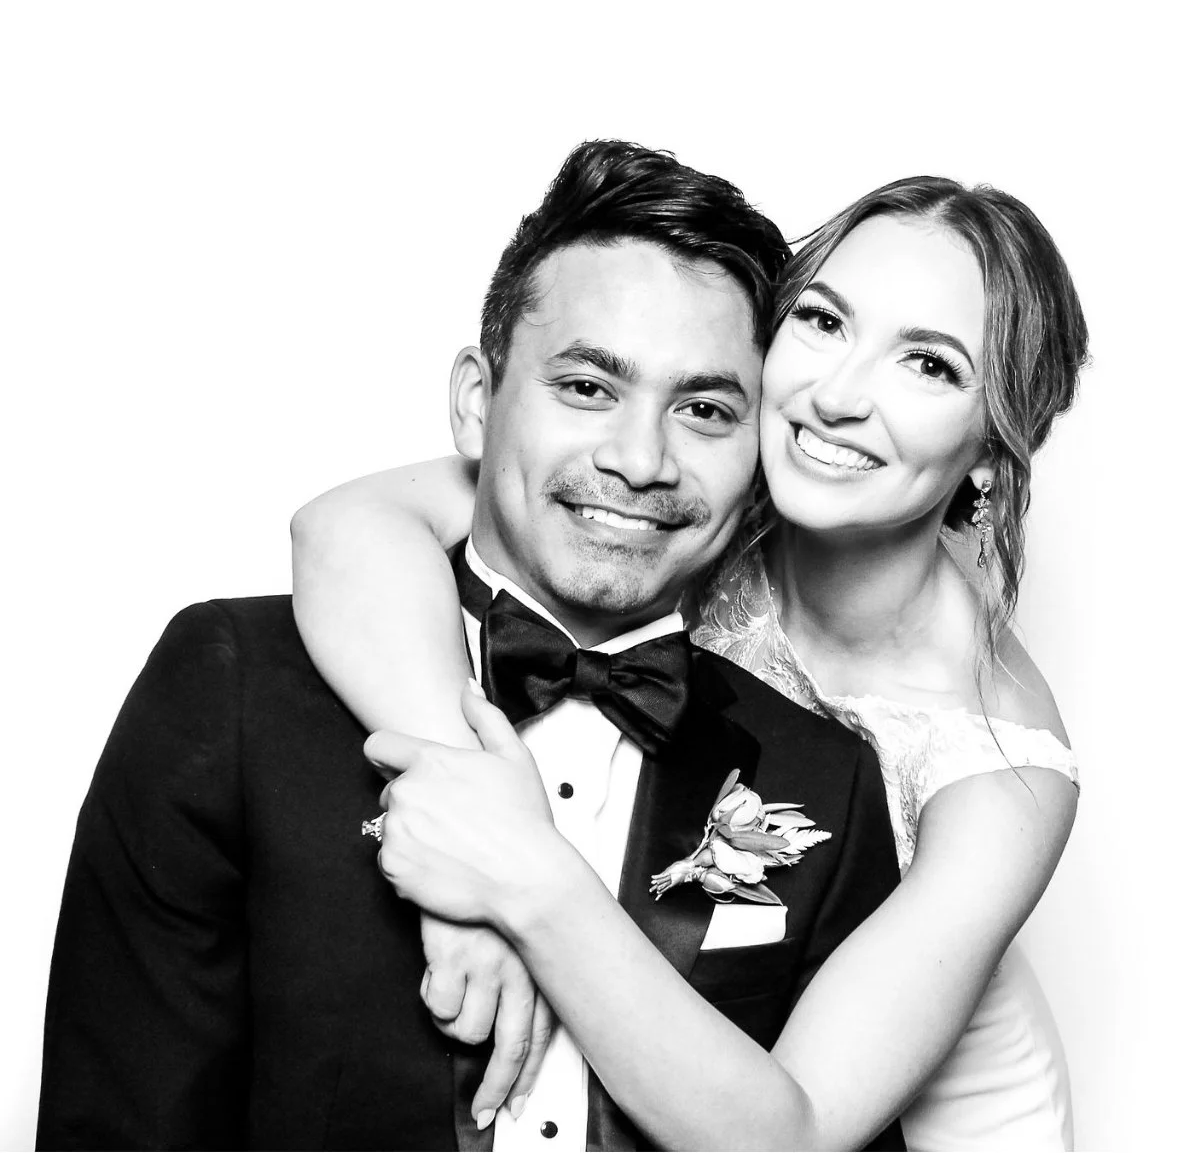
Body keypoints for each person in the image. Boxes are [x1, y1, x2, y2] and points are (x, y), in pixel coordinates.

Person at [37, 140, 905, 1150]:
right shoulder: (235, 687)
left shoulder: (827, 778)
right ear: (477, 403)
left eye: (706, 410)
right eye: (587, 388)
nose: (639, 459)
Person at [291, 172, 1088, 1148]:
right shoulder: (685, 494)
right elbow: (346, 527)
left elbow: (789, 1134)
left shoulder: (1005, 768)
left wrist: (520, 880)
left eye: (929, 365)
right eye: (826, 323)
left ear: (992, 454)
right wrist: (461, 805)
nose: (837, 396)